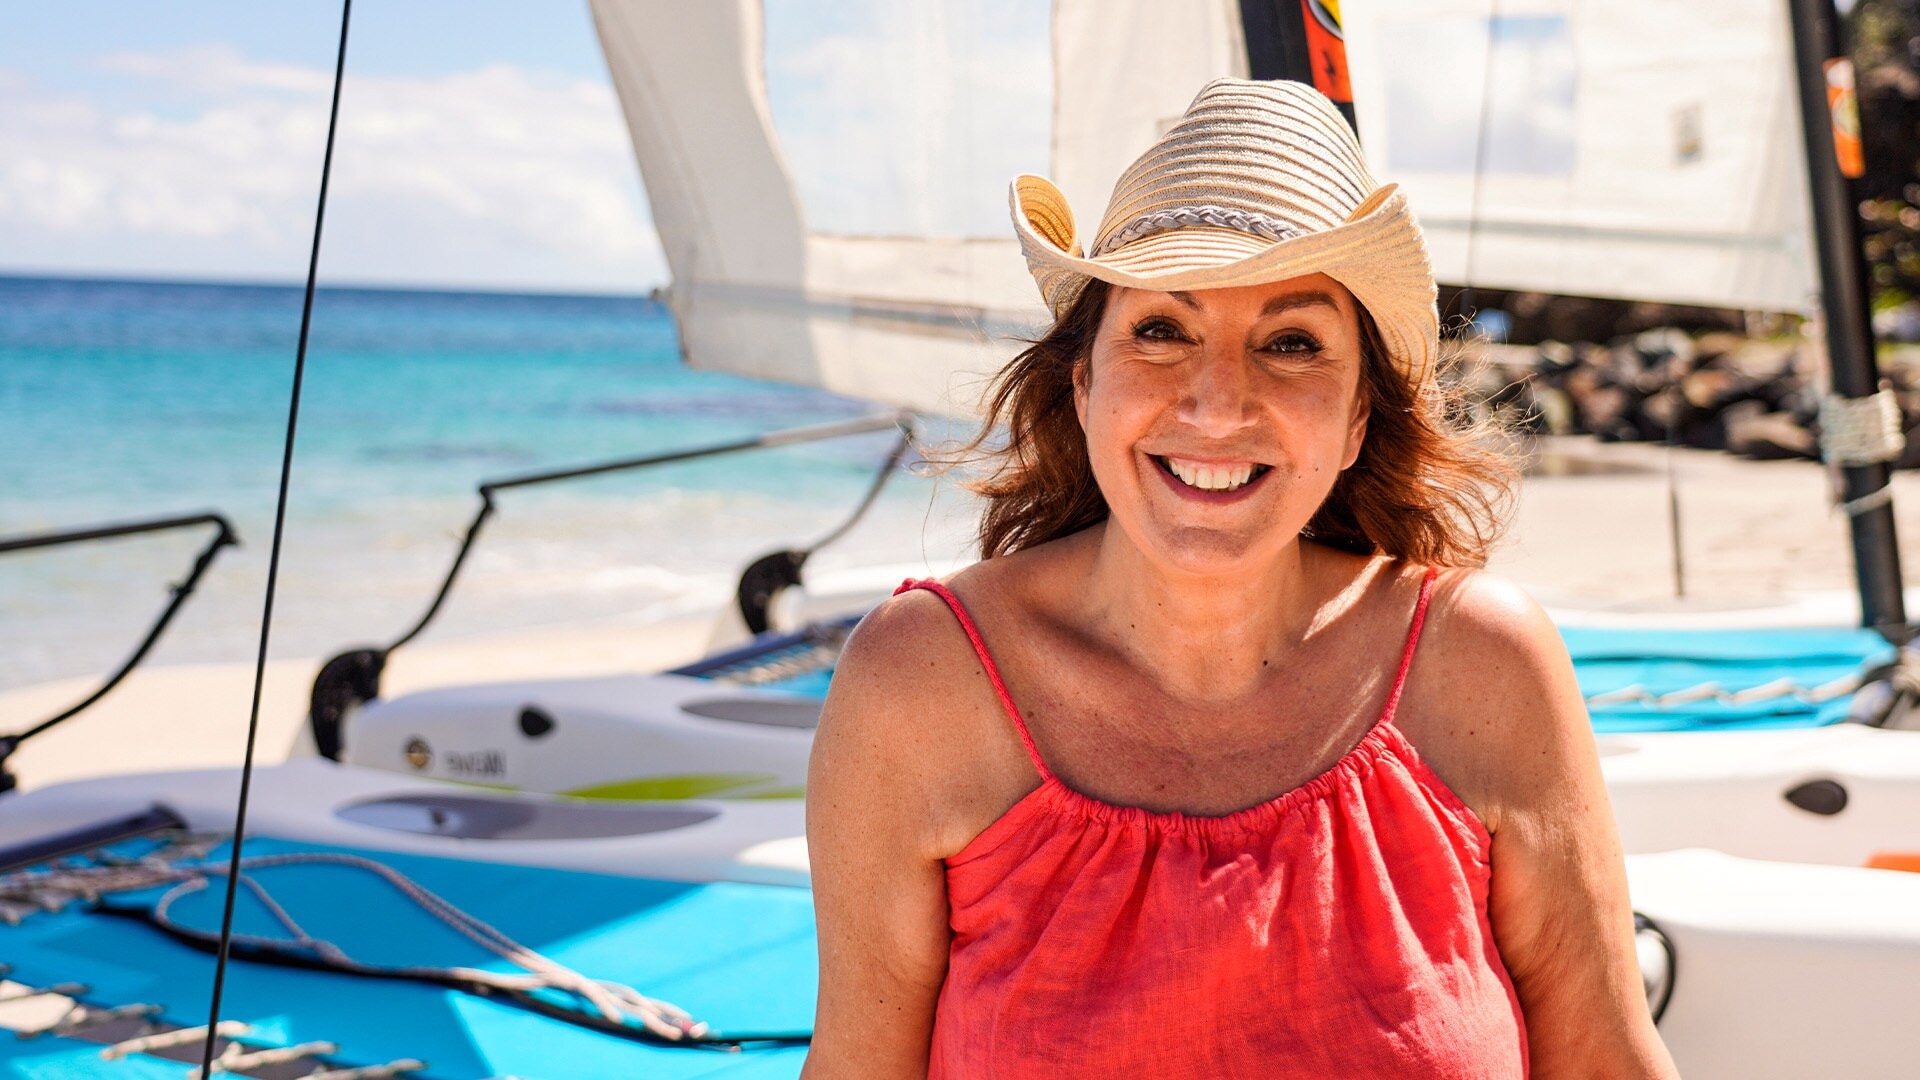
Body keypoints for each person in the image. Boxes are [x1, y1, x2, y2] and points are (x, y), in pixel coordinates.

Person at [803, 78, 1677, 1079]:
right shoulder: (921, 684)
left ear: (1356, 421)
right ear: (1083, 383)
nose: (1219, 404)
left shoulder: (1481, 666)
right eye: (1162, 330)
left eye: (1292, 342)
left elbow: (1608, 1056)